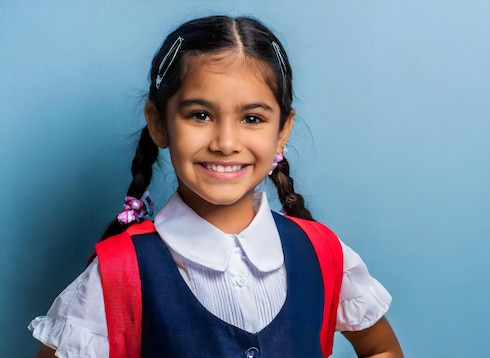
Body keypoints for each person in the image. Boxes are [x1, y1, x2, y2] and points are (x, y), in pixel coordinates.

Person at [30, 15, 403, 358]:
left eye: (252, 118)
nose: (226, 142)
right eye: (200, 115)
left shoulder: (325, 253)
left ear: (282, 131)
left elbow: (379, 348)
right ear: (158, 123)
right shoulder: (117, 274)